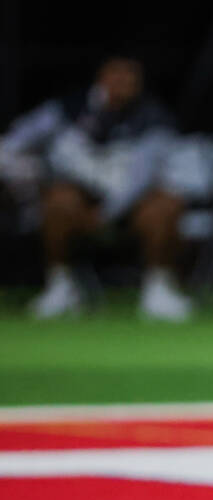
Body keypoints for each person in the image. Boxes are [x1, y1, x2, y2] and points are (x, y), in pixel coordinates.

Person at [0, 55, 193, 321]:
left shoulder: (155, 118)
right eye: (116, 78)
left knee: (166, 205)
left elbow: (141, 177)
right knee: (58, 199)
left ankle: (158, 289)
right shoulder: (67, 109)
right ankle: (61, 287)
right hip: (83, 198)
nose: (123, 85)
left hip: (130, 202)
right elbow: (17, 140)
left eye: (130, 80)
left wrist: (106, 214)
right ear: (101, 79)